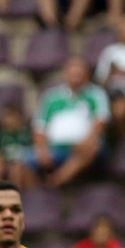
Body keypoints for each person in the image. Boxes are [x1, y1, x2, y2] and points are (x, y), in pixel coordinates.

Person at [28, 58, 109, 188]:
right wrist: (42, 150)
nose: (76, 78)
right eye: (73, 74)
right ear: (65, 75)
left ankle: (54, 183)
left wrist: (87, 140)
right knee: (20, 160)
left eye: (79, 74)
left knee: (92, 148)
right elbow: (39, 127)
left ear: (87, 75)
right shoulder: (51, 97)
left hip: (82, 147)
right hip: (54, 147)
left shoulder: (96, 94)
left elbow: (101, 121)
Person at [0, 104, 33, 186]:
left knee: (17, 169)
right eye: (6, 116)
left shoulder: (26, 134)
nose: (8, 120)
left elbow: (31, 152)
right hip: (5, 161)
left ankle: (16, 192)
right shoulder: (0, 135)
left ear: (20, 118)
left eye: (12, 116)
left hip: (21, 162)